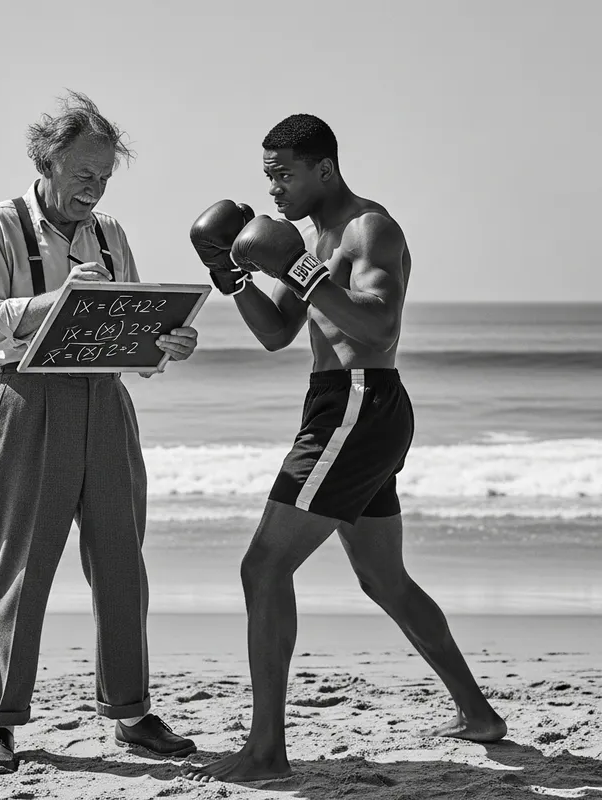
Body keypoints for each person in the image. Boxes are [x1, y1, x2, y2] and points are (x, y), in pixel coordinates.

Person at [185, 114, 507, 783]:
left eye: (283, 174)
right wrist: (231, 276)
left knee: (263, 568)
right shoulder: (316, 238)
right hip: (351, 406)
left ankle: (267, 753)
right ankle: (481, 716)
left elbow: (379, 322)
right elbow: (277, 332)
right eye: (267, 175)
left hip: (359, 402)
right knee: (382, 578)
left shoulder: (369, 228)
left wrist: (301, 267)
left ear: (323, 168)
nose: (272, 189)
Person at [0, 91, 198, 774]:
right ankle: (0, 724)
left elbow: (124, 334)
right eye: (83, 174)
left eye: (104, 176)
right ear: (47, 162)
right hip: (30, 401)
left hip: (108, 400)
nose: (94, 188)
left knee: (123, 563)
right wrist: (56, 302)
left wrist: (165, 344)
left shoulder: (111, 234)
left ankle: (130, 712)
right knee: (21, 568)